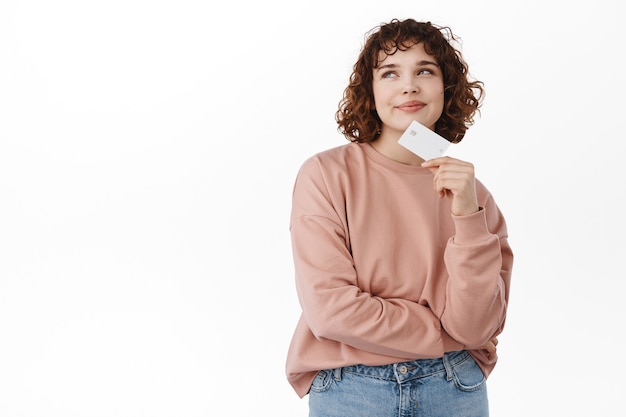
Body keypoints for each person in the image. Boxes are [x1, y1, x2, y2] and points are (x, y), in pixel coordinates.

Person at [285, 18, 514, 417]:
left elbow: (476, 327)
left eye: (425, 70)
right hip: (350, 388)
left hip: (454, 387)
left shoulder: (474, 198)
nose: (409, 85)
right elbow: (332, 311)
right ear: (370, 92)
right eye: (390, 72)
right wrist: (445, 334)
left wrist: (466, 215)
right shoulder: (326, 175)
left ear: (446, 87)